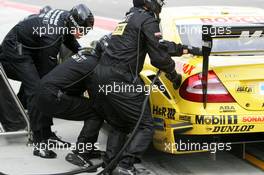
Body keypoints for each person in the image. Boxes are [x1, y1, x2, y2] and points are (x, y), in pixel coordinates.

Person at [81, 0, 202, 174]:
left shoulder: (128, 18)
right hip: (120, 79)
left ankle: (110, 166)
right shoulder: (148, 20)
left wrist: (184, 48)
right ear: (148, 3)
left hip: (100, 77)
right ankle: (125, 165)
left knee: (119, 123)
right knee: (145, 125)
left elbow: (157, 44)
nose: (160, 3)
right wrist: (174, 76)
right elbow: (158, 58)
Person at [0, 4, 94, 158]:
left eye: (87, 31)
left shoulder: (67, 18)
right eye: (83, 30)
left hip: (29, 44)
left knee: (43, 90)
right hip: (16, 49)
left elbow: (68, 36)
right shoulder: (52, 36)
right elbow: (48, 78)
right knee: (39, 91)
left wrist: (80, 50)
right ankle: (38, 142)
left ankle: (48, 134)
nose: (84, 33)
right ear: (75, 24)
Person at [32, 35, 110, 160]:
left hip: (42, 93)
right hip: (52, 97)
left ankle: (86, 148)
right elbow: (97, 98)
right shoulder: (95, 66)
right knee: (96, 112)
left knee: (90, 107)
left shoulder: (86, 56)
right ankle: (82, 153)